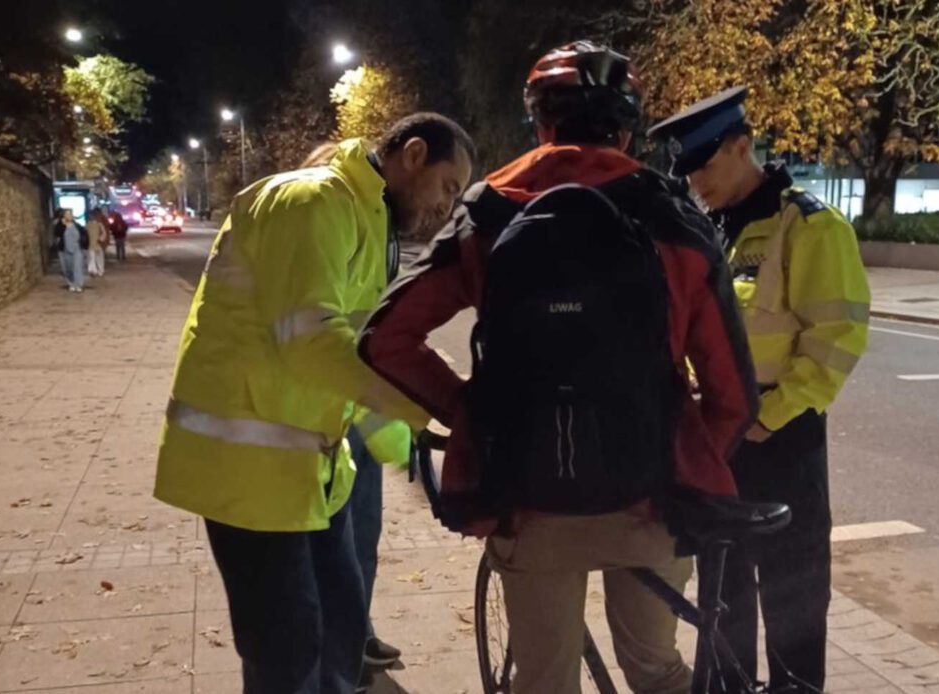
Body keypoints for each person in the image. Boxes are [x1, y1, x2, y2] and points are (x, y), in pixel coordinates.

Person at [358, 42, 760, 694]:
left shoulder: (488, 208)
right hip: (648, 505)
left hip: (528, 498)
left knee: (544, 682)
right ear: (626, 127)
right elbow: (734, 396)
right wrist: (678, 462)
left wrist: (470, 414)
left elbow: (386, 339)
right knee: (657, 671)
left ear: (540, 124)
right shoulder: (672, 214)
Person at [153, 113, 474, 694]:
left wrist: (413, 443)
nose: (445, 206)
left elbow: (361, 354)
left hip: (308, 472)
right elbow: (310, 344)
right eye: (448, 186)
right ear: (415, 154)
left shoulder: (369, 220)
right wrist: (428, 407)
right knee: (288, 649)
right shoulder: (310, 201)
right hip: (246, 474)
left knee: (342, 628)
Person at [649, 86, 871, 692]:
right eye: (686, 170)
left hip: (783, 437)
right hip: (718, 438)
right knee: (723, 597)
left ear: (742, 146)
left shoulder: (809, 226)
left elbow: (837, 339)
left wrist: (767, 418)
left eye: (704, 165)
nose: (694, 180)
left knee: (792, 593)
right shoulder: (709, 230)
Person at [297, 141, 409, 688]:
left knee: (363, 536)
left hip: (360, 413)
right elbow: (324, 334)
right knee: (331, 555)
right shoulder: (320, 220)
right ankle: (339, 648)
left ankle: (355, 634)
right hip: (327, 419)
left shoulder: (381, 222)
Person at [52, 208, 87, 293]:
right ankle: (71, 283)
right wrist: (63, 225)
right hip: (65, 250)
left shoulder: (76, 225)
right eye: (67, 214)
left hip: (77, 249)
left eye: (70, 214)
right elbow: (57, 233)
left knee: (77, 267)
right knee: (67, 268)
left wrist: (84, 244)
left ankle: (78, 285)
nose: (69, 216)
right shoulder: (60, 225)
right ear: (63, 216)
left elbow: (84, 233)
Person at [86, 208, 109, 277]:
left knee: (93, 257)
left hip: (93, 243)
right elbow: (104, 233)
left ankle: (94, 270)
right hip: (96, 243)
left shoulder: (89, 225)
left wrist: (101, 239)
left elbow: (104, 233)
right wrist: (101, 239)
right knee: (97, 258)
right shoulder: (98, 224)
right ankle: (97, 270)